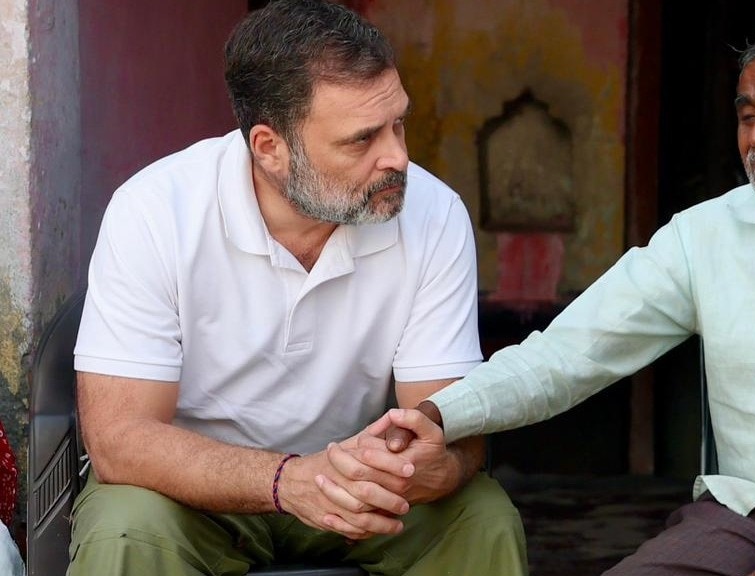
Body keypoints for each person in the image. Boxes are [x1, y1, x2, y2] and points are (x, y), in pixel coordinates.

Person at [382, 25, 755, 576]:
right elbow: (568, 355)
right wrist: (440, 414)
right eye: (747, 116)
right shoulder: (702, 236)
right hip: (750, 510)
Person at [70, 1, 527, 574]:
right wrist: (287, 481)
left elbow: (451, 425)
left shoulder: (433, 214)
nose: (399, 158)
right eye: (362, 140)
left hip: (366, 488)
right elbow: (119, 439)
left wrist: (445, 463)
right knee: (126, 527)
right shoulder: (155, 210)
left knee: (480, 518)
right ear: (270, 149)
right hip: (194, 497)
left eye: (399, 123)